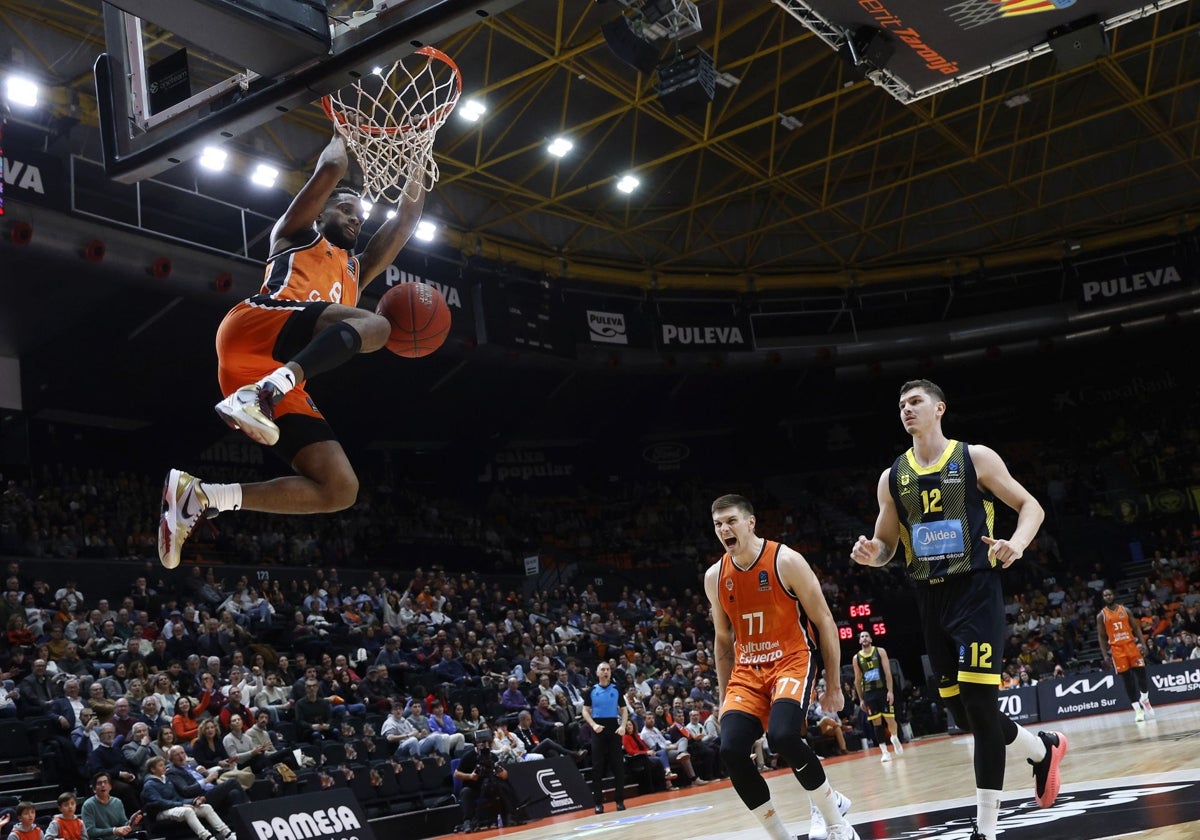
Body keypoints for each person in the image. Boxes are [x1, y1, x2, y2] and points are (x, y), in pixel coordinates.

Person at [158, 133, 427, 569]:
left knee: (339, 489)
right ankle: (262, 395)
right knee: (376, 324)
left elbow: (404, 223)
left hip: (272, 372)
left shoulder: (356, 270)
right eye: (345, 209)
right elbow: (332, 169)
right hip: (255, 326)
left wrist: (418, 156)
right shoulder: (295, 235)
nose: (355, 218)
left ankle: (202, 496)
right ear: (320, 212)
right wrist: (341, 130)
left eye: (360, 216)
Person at [850, 379, 1067, 840]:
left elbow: (1031, 506)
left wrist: (1017, 543)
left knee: (980, 706)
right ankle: (1040, 748)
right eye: (901, 404)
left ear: (939, 408)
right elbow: (887, 544)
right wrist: (874, 553)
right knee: (964, 715)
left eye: (915, 402)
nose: (906, 410)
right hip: (929, 598)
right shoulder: (892, 477)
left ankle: (986, 828)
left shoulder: (975, 458)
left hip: (975, 589)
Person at [704, 494, 856, 840]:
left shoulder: (785, 560)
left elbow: (825, 621)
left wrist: (834, 684)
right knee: (730, 750)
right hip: (747, 672)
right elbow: (723, 642)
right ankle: (780, 836)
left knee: (784, 736)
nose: (724, 529)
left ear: (751, 522)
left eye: (731, 521)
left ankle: (835, 822)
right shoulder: (715, 576)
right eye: (718, 524)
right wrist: (723, 695)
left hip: (791, 659)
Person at [141, 757, 236, 840]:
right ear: (153, 769)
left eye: (164, 765)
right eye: (160, 765)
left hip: (174, 807)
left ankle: (227, 834)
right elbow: (159, 802)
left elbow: (177, 797)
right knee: (187, 811)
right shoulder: (149, 784)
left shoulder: (166, 780)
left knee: (206, 807)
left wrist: (194, 800)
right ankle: (207, 837)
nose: (164, 767)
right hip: (160, 812)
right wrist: (181, 805)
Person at [1097, 588, 1155, 722]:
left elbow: (1136, 628)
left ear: (1114, 595)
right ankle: (1138, 710)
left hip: (1131, 646)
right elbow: (1101, 636)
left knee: (1141, 674)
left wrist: (1143, 644)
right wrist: (1105, 655)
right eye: (1105, 595)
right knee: (1128, 681)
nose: (1108, 596)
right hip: (1117, 650)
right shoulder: (1101, 615)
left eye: (1110, 594)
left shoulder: (1125, 610)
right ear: (1103, 598)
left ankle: (1145, 698)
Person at [581, 662, 628, 814]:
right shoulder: (591, 691)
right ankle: (598, 803)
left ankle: (620, 801)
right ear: (597, 673)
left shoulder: (616, 689)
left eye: (608, 669)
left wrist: (622, 726)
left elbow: (624, 710)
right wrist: (593, 725)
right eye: (602, 669)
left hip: (614, 728)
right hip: (598, 729)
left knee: (618, 766)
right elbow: (585, 711)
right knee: (597, 768)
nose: (606, 672)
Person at [852, 631, 904, 762]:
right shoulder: (856, 658)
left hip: (882, 691)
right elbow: (857, 680)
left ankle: (894, 737)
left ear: (871, 639)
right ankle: (884, 751)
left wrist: (890, 691)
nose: (864, 638)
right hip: (869, 694)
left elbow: (887, 673)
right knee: (876, 723)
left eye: (866, 636)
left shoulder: (880, 651)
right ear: (859, 641)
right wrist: (861, 699)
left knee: (890, 720)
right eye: (862, 637)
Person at [81, 772, 144, 840]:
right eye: (99, 783)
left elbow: (123, 825)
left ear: (110, 787)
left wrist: (131, 823)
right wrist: (113, 830)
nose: (103, 785)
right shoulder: (88, 805)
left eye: (105, 782)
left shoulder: (117, 802)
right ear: (94, 789)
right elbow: (90, 831)